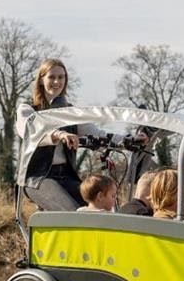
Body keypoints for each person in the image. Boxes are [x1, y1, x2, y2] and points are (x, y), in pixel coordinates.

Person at [16, 58, 132, 211]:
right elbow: (34, 132)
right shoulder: (27, 110)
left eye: (61, 77)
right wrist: (59, 134)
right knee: (71, 212)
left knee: (97, 208)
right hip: (38, 179)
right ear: (41, 80)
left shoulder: (71, 113)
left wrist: (129, 140)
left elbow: (98, 134)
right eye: (51, 77)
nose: (56, 81)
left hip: (67, 176)